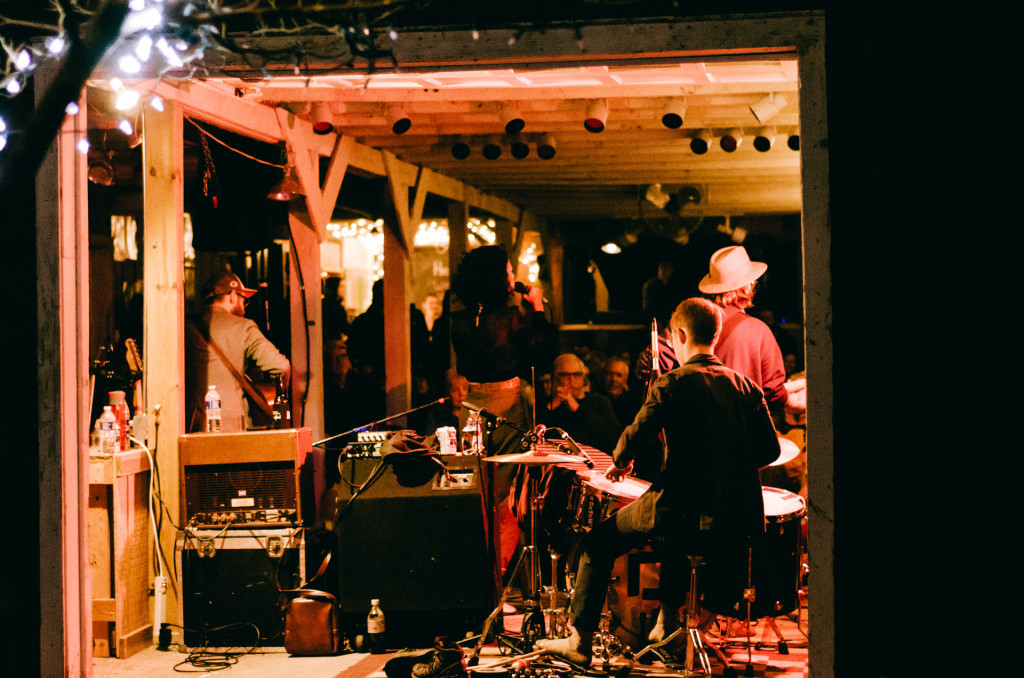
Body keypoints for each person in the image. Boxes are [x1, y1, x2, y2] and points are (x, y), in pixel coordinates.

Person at [535, 298, 780, 664]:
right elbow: (770, 450)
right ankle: (666, 627)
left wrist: (620, 462)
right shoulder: (745, 386)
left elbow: (634, 434)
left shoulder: (671, 384)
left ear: (679, 335)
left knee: (597, 544)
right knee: (678, 543)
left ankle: (579, 642)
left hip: (680, 505)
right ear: (713, 336)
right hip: (734, 514)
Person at [185, 271, 290, 432]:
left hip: (192, 424)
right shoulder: (244, 327)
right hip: (230, 424)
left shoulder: (186, 326)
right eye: (244, 301)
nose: (244, 307)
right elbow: (280, 366)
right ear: (232, 296)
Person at [540, 353, 620, 453]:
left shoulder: (599, 401)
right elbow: (534, 436)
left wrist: (578, 409)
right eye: (565, 375)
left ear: (583, 377)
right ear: (555, 377)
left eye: (577, 375)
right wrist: (553, 404)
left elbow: (612, 437)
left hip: (591, 463)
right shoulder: (544, 403)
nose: (572, 380)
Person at [600, 356, 643, 435]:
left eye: (618, 375)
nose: (613, 379)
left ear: (625, 380)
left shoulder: (634, 404)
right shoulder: (595, 400)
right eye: (609, 374)